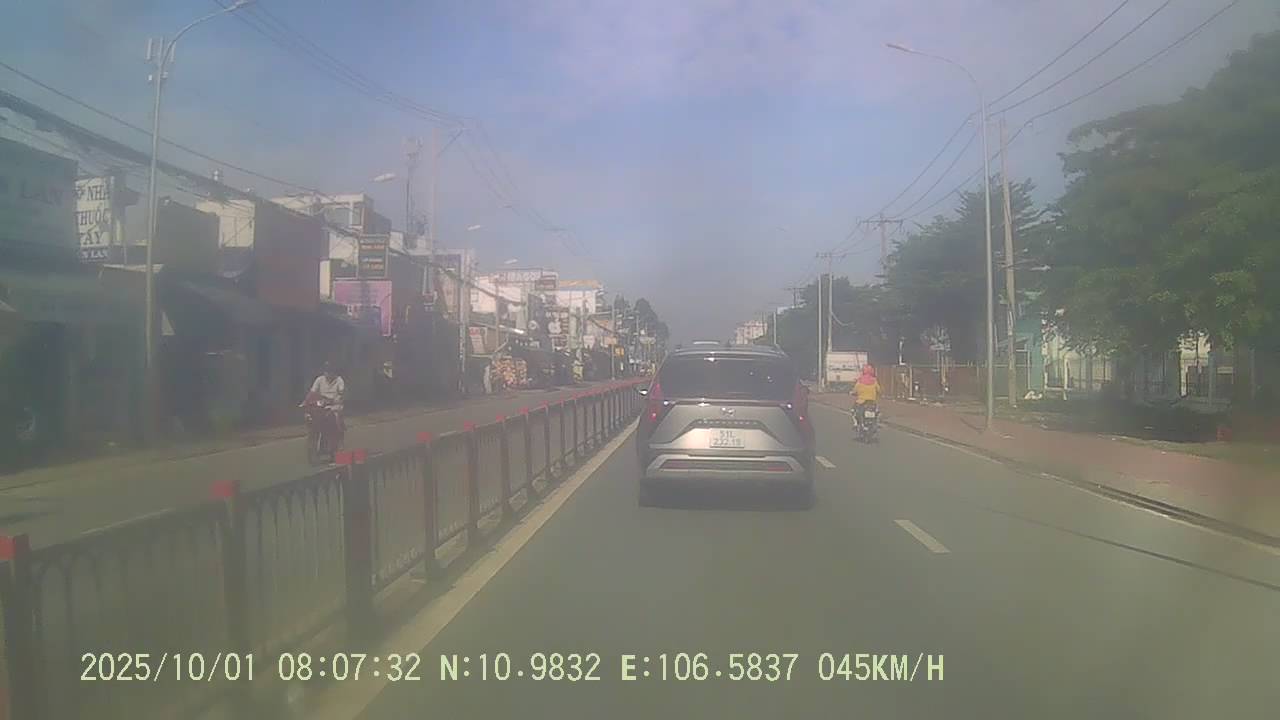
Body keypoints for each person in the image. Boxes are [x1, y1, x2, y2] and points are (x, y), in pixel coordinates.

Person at [309, 361, 346, 431]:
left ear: (334, 372)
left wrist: (335, 400)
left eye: (329, 371)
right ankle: (313, 433)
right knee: (310, 416)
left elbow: (341, 394)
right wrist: (306, 401)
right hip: (321, 403)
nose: (327, 373)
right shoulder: (319, 379)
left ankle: (339, 429)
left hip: (334, 404)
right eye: (326, 371)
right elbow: (312, 392)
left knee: (334, 415)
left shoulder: (339, 380)